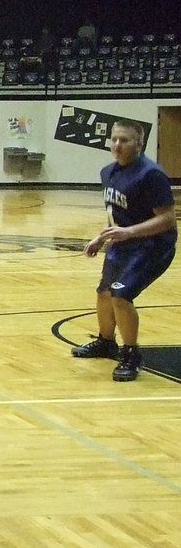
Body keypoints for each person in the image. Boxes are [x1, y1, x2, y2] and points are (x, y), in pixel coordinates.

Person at [71, 120, 176, 381]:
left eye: (124, 140)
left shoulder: (151, 175)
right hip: (122, 244)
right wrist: (101, 237)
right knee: (104, 293)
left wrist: (129, 233)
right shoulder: (108, 172)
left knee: (120, 295)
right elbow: (116, 214)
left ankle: (131, 354)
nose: (117, 145)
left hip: (152, 246)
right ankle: (106, 341)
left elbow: (167, 219)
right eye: (114, 139)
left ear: (139, 144)